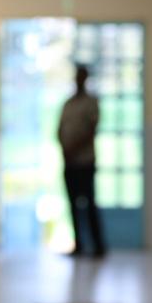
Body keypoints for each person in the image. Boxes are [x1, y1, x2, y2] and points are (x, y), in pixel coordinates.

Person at [57, 64, 107, 258]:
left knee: (89, 204)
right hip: (69, 163)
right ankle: (78, 245)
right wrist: (64, 149)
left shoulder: (91, 103)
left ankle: (98, 246)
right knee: (72, 205)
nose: (78, 80)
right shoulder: (68, 104)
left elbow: (91, 130)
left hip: (85, 162)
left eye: (81, 76)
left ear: (86, 79)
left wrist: (73, 149)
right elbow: (59, 129)